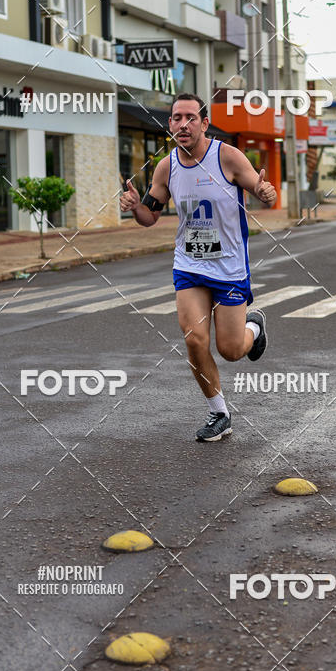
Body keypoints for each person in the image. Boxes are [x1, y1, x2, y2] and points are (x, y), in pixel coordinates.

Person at [120, 93, 277, 442]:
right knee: (194, 339)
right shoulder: (167, 166)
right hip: (189, 265)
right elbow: (150, 215)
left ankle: (254, 326)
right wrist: (134, 207)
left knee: (232, 350)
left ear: (204, 124)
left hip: (229, 266)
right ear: (170, 125)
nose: (183, 124)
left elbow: (260, 187)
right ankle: (219, 412)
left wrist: (266, 193)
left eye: (191, 117)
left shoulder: (228, 157)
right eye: (176, 118)